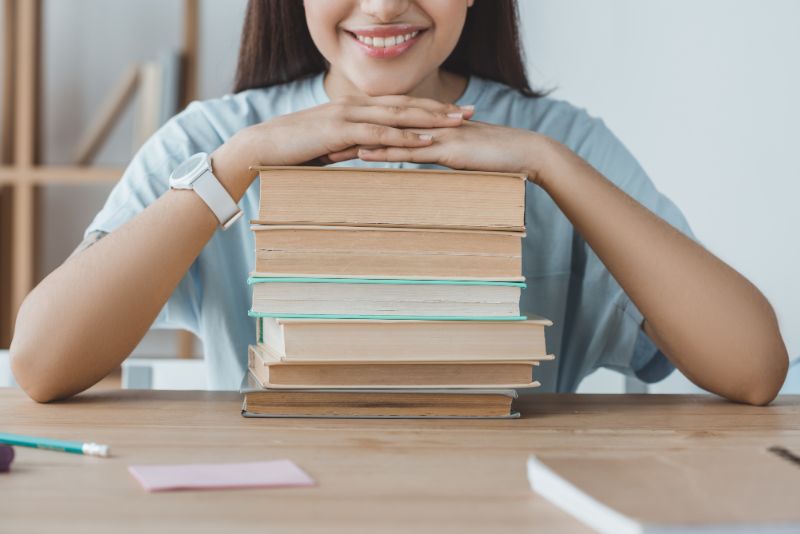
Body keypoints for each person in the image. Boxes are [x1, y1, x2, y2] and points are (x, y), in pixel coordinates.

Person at [10, 0, 788, 404]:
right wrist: (239, 165)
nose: (383, 6)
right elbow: (41, 365)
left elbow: (754, 370)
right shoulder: (218, 136)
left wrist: (548, 164)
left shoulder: (559, 141)